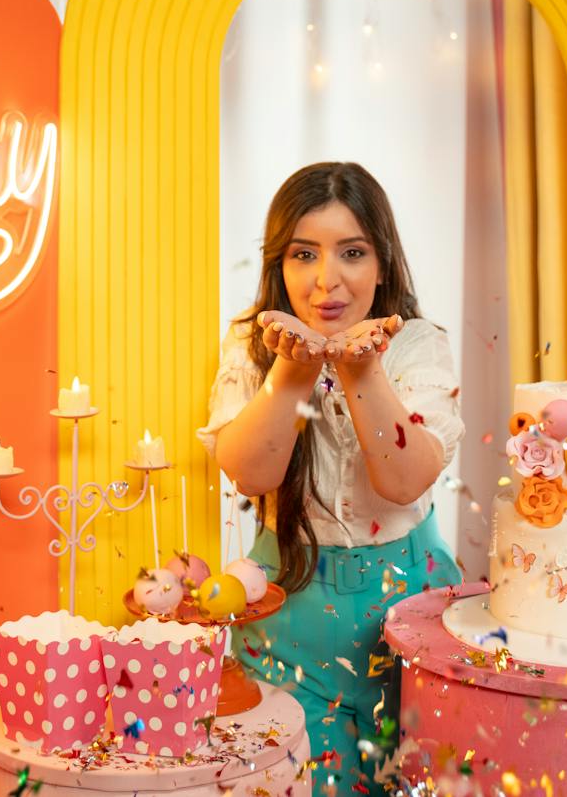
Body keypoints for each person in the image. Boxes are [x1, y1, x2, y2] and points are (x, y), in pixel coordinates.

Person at [197, 161, 464, 796]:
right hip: (288, 617)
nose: (326, 280)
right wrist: (292, 368)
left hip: (412, 617)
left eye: (352, 252)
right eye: (303, 254)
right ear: (279, 264)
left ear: (383, 261)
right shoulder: (252, 344)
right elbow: (250, 473)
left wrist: (360, 366)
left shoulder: (418, 345)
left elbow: (405, 480)